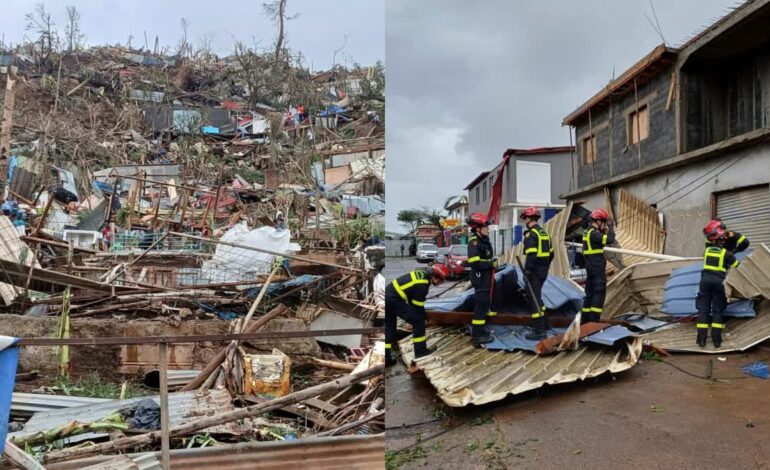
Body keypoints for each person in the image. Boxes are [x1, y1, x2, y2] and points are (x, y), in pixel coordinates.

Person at [385, 264, 449, 366]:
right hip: (394, 300)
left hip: (388, 296)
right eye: (440, 279)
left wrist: (421, 313)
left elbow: (412, 299)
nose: (439, 282)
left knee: (390, 327)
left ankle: (386, 358)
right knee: (419, 322)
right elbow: (417, 306)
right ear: (435, 275)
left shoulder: (422, 275)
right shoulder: (423, 284)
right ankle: (420, 352)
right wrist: (423, 317)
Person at [696, 227, 740, 348]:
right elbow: (736, 265)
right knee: (717, 311)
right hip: (718, 283)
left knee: (703, 311)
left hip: (704, 282)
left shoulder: (707, 251)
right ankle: (716, 341)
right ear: (723, 241)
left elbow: (708, 242)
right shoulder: (726, 253)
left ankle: (701, 340)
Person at [520, 207, 554, 340]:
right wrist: (545, 266)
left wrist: (528, 272)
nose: (525, 221)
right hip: (543, 270)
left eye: (525, 219)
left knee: (532, 298)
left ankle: (539, 331)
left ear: (528, 219)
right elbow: (551, 254)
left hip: (534, 271)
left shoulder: (531, 234)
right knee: (537, 296)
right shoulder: (544, 233)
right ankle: (545, 324)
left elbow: (531, 255)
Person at [466, 212, 496, 346]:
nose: (488, 229)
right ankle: (477, 336)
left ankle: (481, 331)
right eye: (485, 227)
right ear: (478, 228)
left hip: (486, 277)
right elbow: (474, 262)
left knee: (484, 306)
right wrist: (490, 264)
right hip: (480, 278)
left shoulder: (483, 240)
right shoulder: (474, 242)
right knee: (481, 306)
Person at [581, 208, 616, 323]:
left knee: (589, 293)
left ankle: (585, 321)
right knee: (599, 292)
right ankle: (594, 321)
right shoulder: (594, 234)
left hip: (590, 266)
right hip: (597, 267)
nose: (604, 224)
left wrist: (603, 231)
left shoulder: (587, 232)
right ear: (599, 221)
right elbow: (610, 239)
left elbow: (597, 243)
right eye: (604, 222)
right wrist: (611, 227)